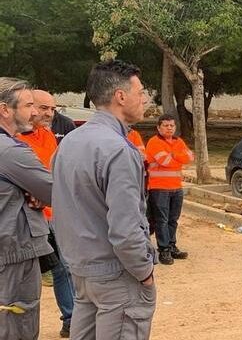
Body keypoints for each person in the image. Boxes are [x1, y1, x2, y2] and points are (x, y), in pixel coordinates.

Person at [52, 60, 157, 339]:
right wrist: (144, 271)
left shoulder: (70, 142)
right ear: (120, 97)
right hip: (116, 275)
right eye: (140, 92)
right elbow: (125, 228)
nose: (144, 99)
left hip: (83, 272)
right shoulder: (119, 149)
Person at [16, 89, 75, 338]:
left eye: (52, 108)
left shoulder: (48, 135)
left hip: (55, 215)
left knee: (64, 269)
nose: (49, 113)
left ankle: (70, 318)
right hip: (28, 219)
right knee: (24, 276)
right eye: (43, 108)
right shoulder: (12, 140)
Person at [0, 78, 53, 340]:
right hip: (13, 254)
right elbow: (55, 191)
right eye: (29, 105)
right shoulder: (11, 152)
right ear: (5, 110)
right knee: (17, 323)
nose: (35, 112)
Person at [145, 114, 194, 265]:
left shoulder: (178, 141)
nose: (169, 128)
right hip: (159, 188)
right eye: (166, 125)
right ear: (158, 127)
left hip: (176, 188)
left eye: (172, 125)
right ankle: (164, 250)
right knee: (162, 220)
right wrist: (178, 156)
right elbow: (165, 161)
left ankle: (172, 246)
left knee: (173, 219)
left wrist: (174, 155)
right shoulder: (154, 142)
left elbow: (190, 158)